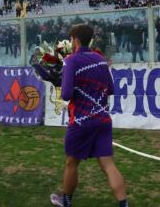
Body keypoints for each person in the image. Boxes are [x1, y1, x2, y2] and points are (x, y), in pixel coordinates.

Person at [50, 24, 128, 207]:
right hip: (103, 120)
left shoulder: (71, 60)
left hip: (81, 122)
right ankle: (124, 204)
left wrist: (61, 80)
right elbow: (111, 89)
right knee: (109, 165)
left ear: (76, 40)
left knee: (71, 163)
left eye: (71, 39)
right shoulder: (100, 59)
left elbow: (67, 94)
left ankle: (66, 201)